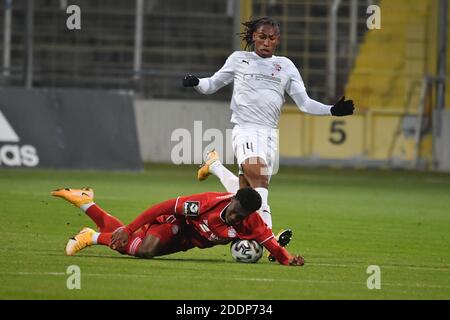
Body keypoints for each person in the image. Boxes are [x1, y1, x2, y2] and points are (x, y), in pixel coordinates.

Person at [182, 17, 354, 259]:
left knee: (244, 196)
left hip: (270, 134)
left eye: (271, 38)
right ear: (254, 36)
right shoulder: (238, 59)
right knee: (260, 179)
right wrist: (197, 82)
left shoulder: (285, 66)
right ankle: (272, 241)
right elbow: (212, 84)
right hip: (245, 129)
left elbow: (304, 104)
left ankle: (214, 166)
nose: (266, 42)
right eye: (262, 37)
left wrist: (332, 110)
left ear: (278, 40)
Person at [51, 187, 305, 266]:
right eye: (235, 211)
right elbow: (162, 208)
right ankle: (92, 237)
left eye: (242, 216)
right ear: (233, 200)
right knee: (144, 249)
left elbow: (273, 245)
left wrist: (288, 260)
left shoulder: (253, 222)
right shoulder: (205, 203)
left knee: (131, 247)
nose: (235, 218)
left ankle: (87, 204)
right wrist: (129, 228)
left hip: (187, 243)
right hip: (175, 225)